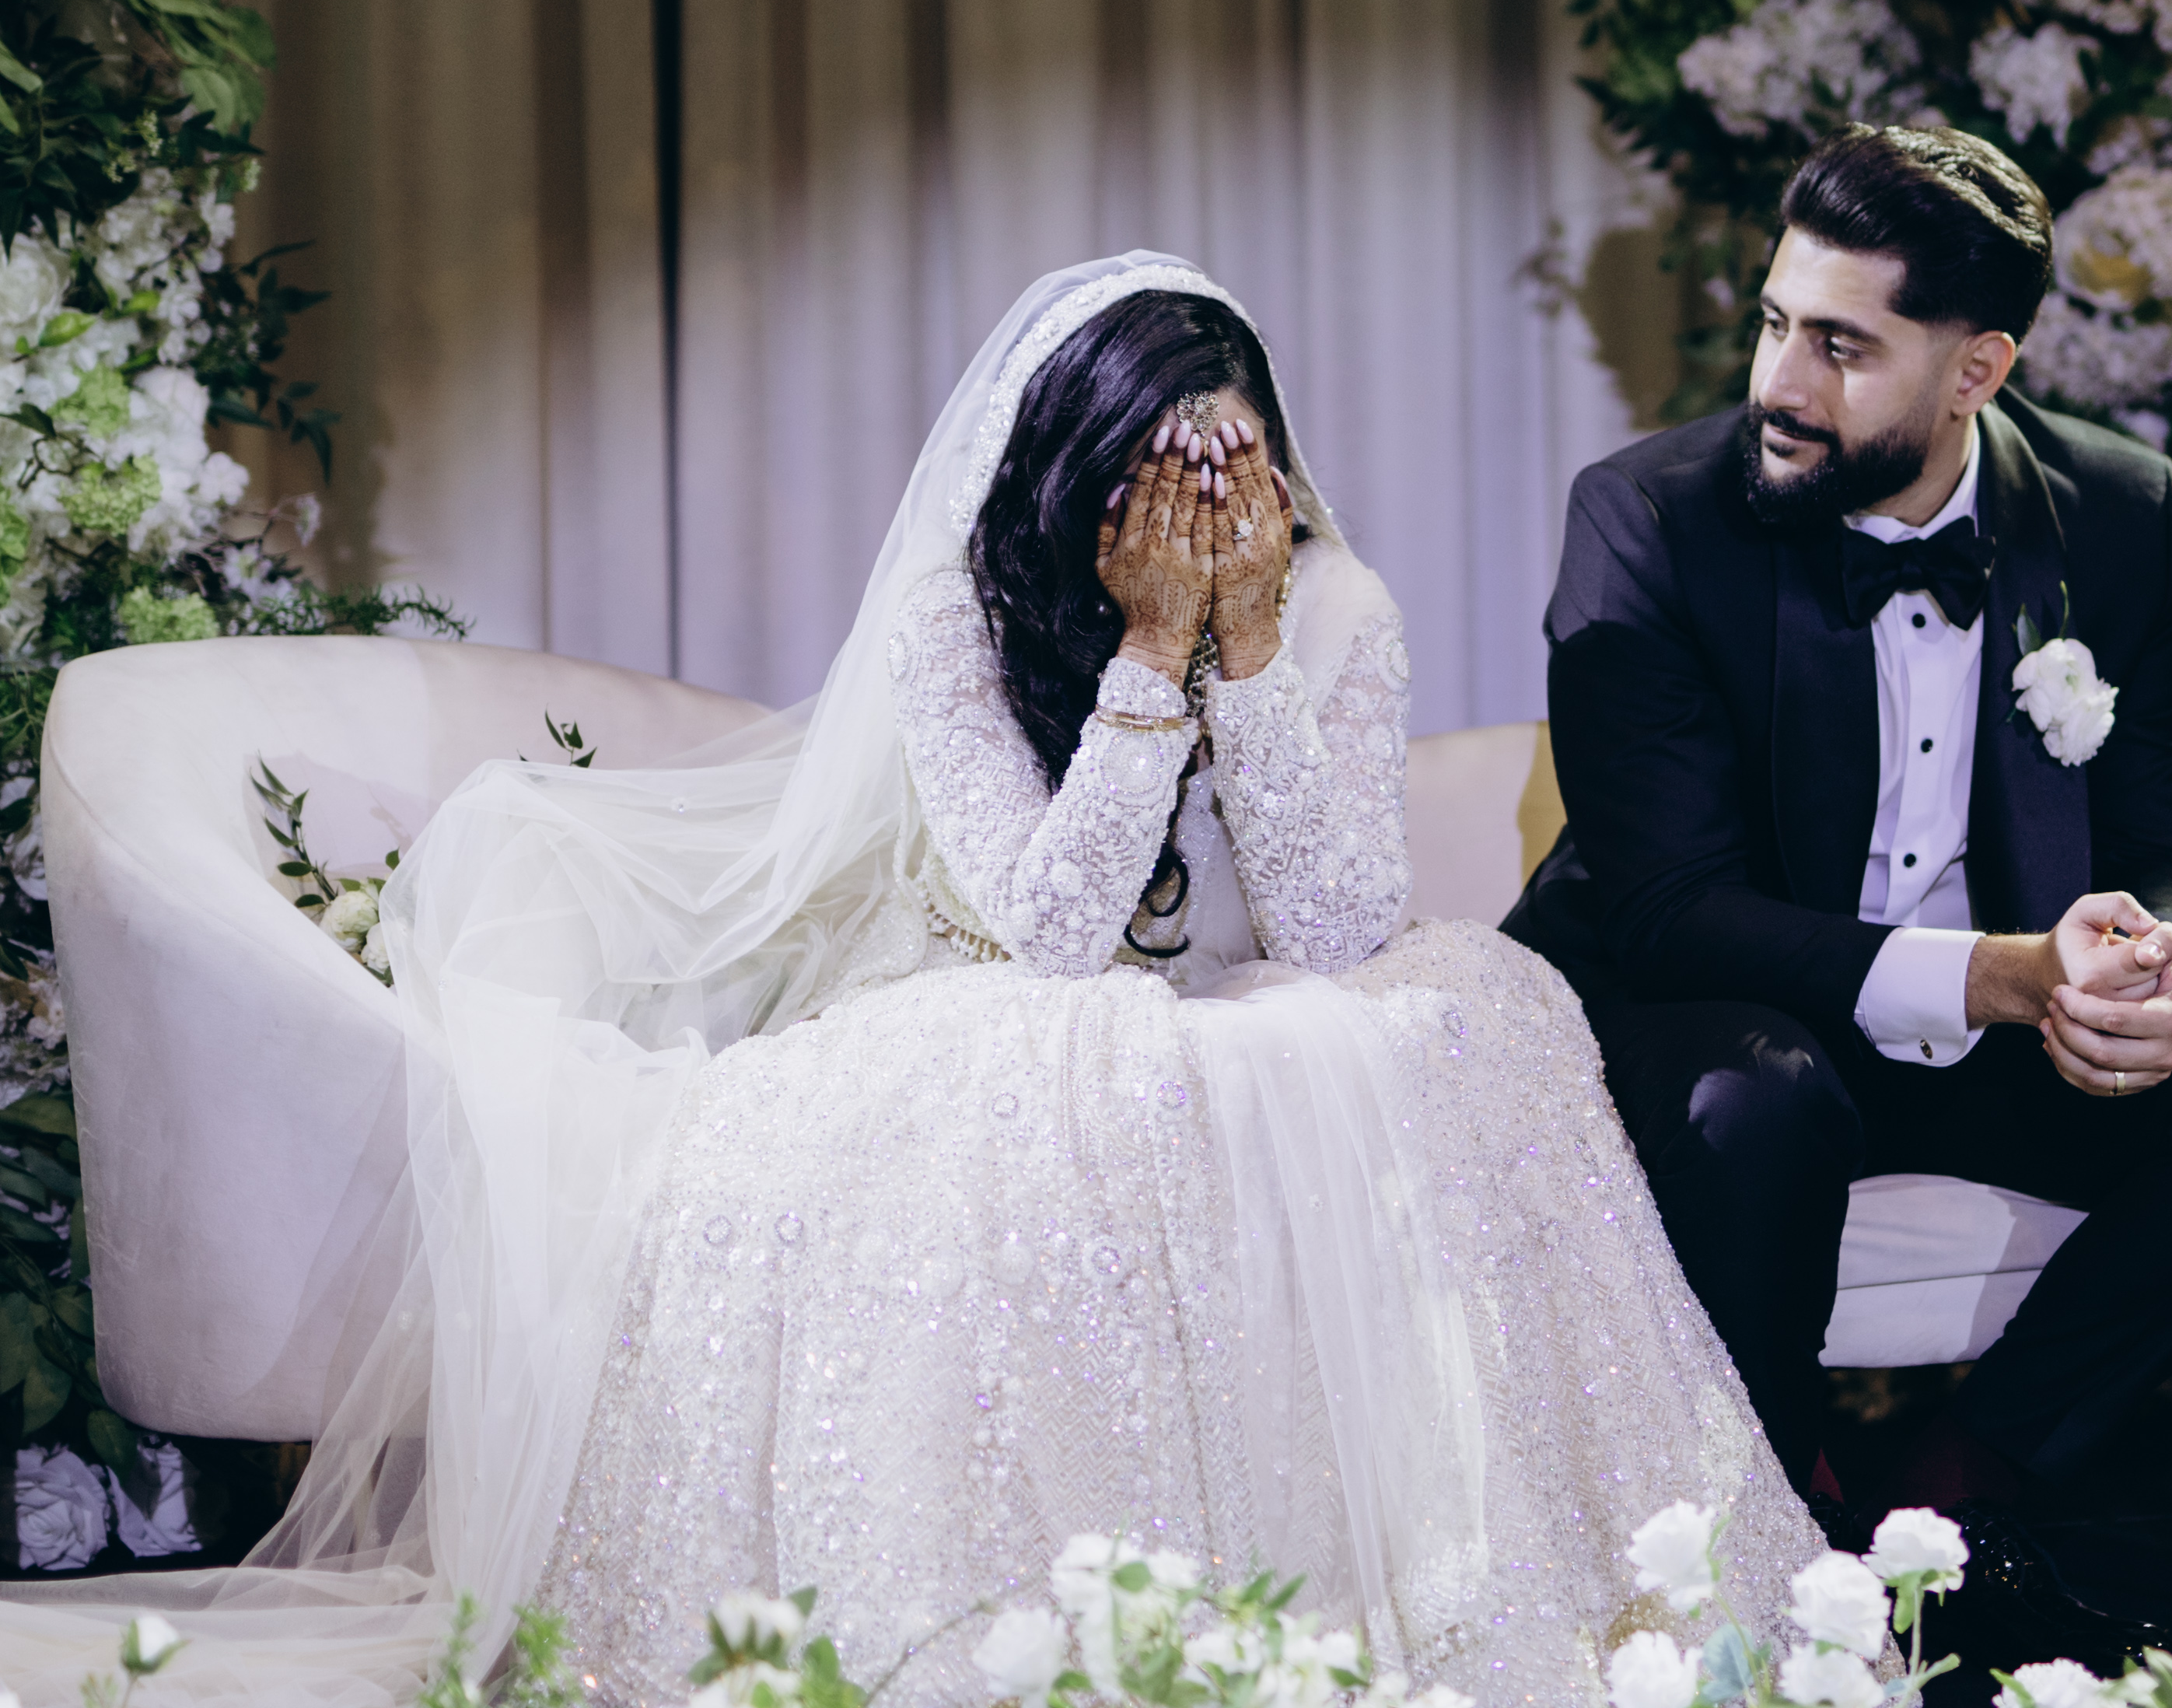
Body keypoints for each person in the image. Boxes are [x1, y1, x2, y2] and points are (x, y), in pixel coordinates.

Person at [0, 257, 1821, 1705]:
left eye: (1237, 469)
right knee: (1085, 1098)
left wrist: (1255, 652)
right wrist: (1149, 656)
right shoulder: (966, 615)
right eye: (1166, 478)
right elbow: (1054, 931)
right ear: (1083, 483)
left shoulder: (1334, 605)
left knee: (1456, 1033)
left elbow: (1341, 927)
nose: (1209, 510)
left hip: (1268, 1013)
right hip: (1018, 998)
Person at [1503, 128, 2172, 1657]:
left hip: (1993, 1046)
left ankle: (1960, 1500)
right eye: (1777, 322)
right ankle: (1773, 1527)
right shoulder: (1649, 516)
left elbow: (2169, 832)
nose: (1782, 382)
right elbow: (1669, 909)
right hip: (1715, 1010)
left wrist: (2156, 962)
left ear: (1978, 369)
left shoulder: (2122, 512)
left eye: (1842, 346)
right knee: (1756, 1104)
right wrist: (2002, 975)